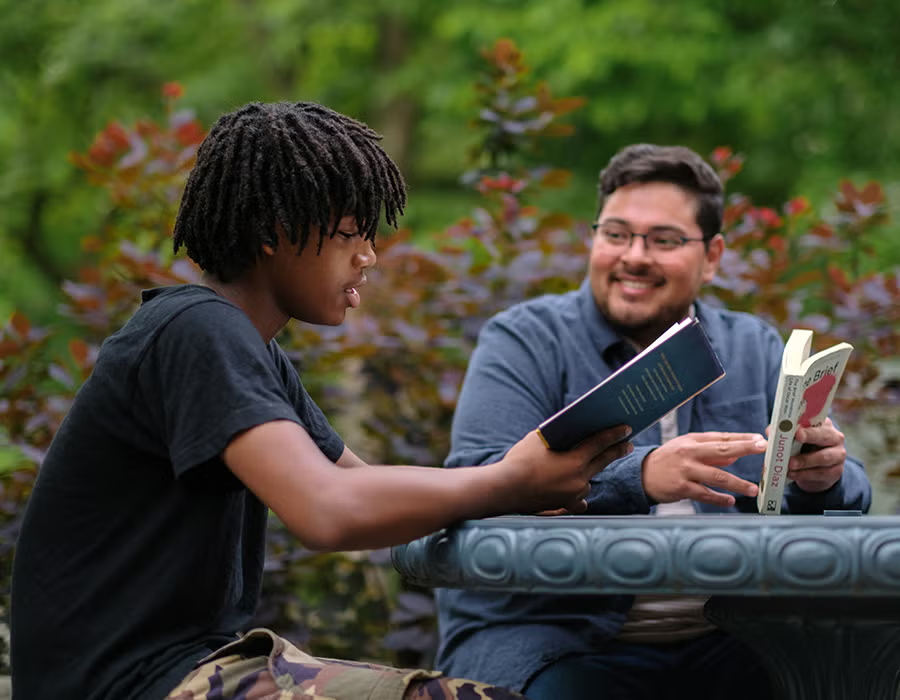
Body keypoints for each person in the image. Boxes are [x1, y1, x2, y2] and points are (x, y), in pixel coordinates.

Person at [9, 101, 635, 700]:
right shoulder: (196, 329)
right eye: (346, 234)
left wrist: (527, 488)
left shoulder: (250, 349)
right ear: (270, 234)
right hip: (128, 685)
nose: (368, 256)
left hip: (186, 670)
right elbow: (327, 511)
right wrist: (504, 482)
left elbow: (362, 486)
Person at [434, 144, 872, 700]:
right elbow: (475, 484)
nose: (633, 256)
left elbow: (837, 505)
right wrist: (634, 478)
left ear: (712, 257)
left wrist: (826, 478)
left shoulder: (751, 345)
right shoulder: (524, 341)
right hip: (555, 637)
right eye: (615, 234)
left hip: (729, 637)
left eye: (663, 240)